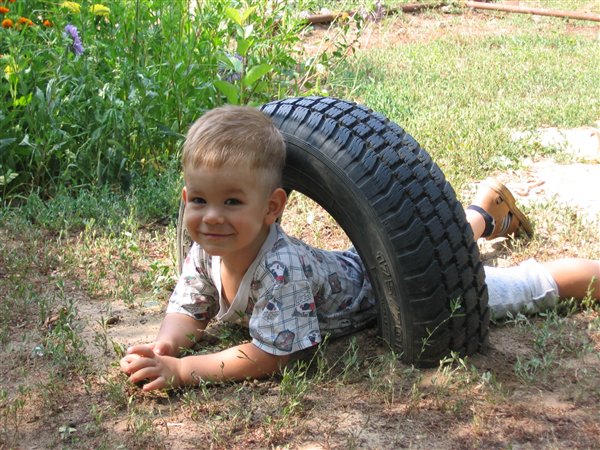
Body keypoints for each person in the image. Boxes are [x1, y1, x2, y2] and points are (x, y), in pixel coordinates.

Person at [120, 106, 600, 391]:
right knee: (445, 245)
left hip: (396, 288)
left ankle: (582, 271)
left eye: (231, 201)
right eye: (200, 200)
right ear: (185, 200)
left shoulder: (279, 269)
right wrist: (165, 345)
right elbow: (187, 306)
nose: (212, 217)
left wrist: (184, 371)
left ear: (271, 208)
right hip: (356, 268)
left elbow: (272, 358)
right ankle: (483, 212)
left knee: (521, 286)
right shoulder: (206, 250)